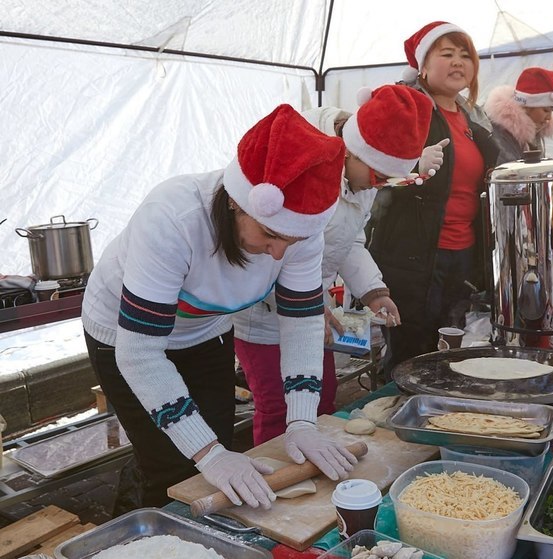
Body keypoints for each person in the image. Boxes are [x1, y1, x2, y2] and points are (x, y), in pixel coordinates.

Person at [81, 104, 357, 511]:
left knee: (217, 448)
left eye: (291, 242)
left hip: (205, 329)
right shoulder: (173, 218)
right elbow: (139, 353)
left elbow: (301, 324)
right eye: (268, 234)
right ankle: (144, 519)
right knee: (173, 468)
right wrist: (206, 454)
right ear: (237, 202)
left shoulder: (300, 228)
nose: (278, 252)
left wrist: (301, 420)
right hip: (123, 334)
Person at [232, 85, 435, 444]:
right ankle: (272, 483)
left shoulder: (364, 179)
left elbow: (349, 240)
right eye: (377, 176)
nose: (380, 186)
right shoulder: (299, 166)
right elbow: (265, 250)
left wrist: (373, 290)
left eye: (388, 179)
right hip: (262, 316)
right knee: (279, 406)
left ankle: (312, 466)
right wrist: (307, 306)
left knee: (319, 399)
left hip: (313, 307)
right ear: (352, 152)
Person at [366, 21, 498, 374]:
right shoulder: (406, 107)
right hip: (413, 257)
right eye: (447, 54)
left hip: (463, 255)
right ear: (423, 65)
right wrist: (412, 165)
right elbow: (371, 174)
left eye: (465, 56)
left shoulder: (474, 120)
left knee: (450, 350)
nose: (458, 63)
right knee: (411, 353)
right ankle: (398, 417)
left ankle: (440, 416)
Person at [484, 66, 553, 165]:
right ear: (527, 106)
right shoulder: (498, 133)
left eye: (552, 110)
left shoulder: (535, 130)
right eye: (545, 110)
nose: (549, 118)